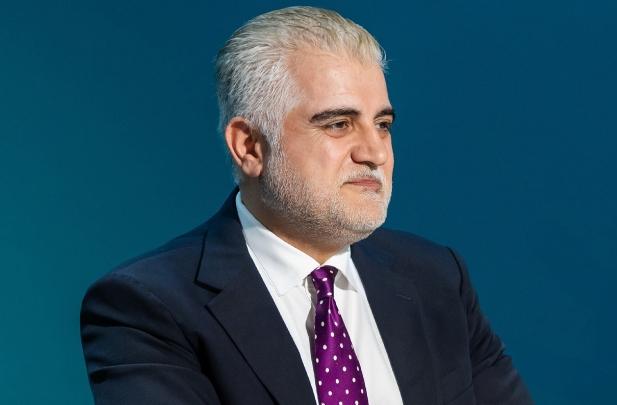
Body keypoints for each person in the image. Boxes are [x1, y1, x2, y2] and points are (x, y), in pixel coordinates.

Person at [80, 6, 533, 405]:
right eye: (339, 124)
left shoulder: (437, 278)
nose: (375, 152)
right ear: (249, 147)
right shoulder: (150, 307)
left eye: (382, 124)